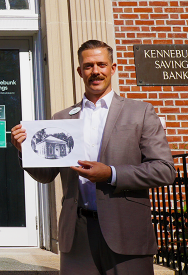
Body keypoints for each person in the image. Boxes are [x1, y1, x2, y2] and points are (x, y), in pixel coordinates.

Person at [10, 39, 175, 275]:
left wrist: (111, 173)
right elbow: (46, 175)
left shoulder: (141, 111)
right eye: (88, 66)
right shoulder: (62, 119)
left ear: (113, 68)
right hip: (77, 233)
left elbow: (164, 170)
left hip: (126, 230)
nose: (95, 72)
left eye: (101, 64)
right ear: (80, 71)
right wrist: (23, 150)